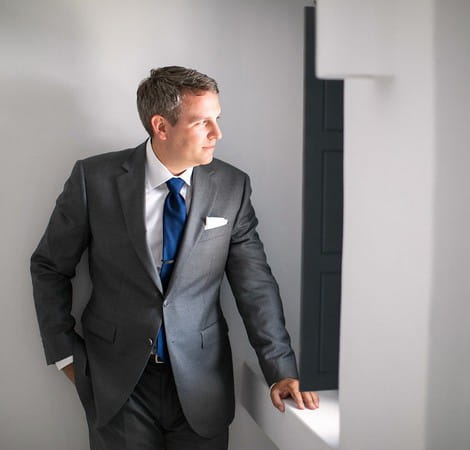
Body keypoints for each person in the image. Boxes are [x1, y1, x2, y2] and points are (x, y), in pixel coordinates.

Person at [30, 66, 318, 450]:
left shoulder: (232, 186)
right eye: (203, 123)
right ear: (161, 127)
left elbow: (255, 283)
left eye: (217, 119)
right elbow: (49, 266)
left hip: (203, 383)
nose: (218, 133)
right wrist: (66, 357)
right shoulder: (93, 179)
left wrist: (280, 369)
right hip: (117, 384)